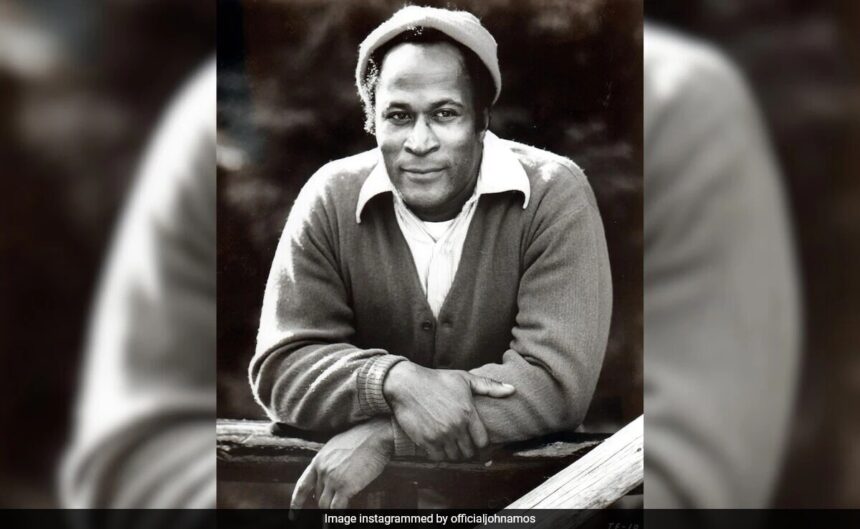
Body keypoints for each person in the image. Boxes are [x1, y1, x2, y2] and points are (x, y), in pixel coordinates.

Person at [249, 6, 613, 509]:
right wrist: (394, 381)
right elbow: (282, 368)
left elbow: (554, 385)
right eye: (399, 116)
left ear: (482, 120)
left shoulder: (552, 194)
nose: (419, 143)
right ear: (373, 121)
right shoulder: (330, 197)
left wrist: (387, 436)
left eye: (445, 114)